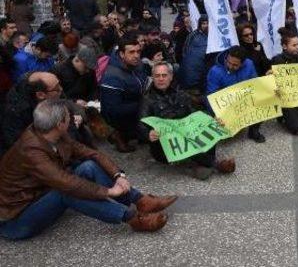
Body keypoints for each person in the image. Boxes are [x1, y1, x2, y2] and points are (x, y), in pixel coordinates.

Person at [0, 99, 176, 239]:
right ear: (60, 124)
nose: (73, 118)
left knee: (89, 166)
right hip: (17, 219)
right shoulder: (31, 150)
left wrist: (118, 175)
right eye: (69, 116)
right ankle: (132, 219)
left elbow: (91, 154)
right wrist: (108, 191)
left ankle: (140, 201)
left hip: (40, 195)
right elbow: (65, 183)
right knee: (66, 192)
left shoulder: (51, 133)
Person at [139, 62, 235, 180]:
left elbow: (196, 113)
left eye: (164, 75)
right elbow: (141, 124)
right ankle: (215, 165)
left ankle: (200, 165)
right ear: (152, 78)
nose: (161, 79)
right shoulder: (147, 100)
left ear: (171, 77)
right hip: (165, 145)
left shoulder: (180, 94)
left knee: (208, 126)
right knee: (189, 141)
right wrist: (148, 134)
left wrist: (211, 119)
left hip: (185, 134)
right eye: (157, 76)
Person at [207, 46, 266, 143]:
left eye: (235, 65)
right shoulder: (215, 71)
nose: (230, 66)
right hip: (225, 104)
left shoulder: (249, 64)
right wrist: (216, 113)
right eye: (228, 62)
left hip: (242, 99)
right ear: (226, 57)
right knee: (227, 135)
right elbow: (211, 95)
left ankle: (254, 131)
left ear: (242, 63)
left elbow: (255, 84)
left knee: (263, 99)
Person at [100, 36, 147, 153]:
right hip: (121, 117)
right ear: (121, 54)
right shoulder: (112, 76)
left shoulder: (136, 64)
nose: (136, 55)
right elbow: (112, 110)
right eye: (131, 52)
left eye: (138, 51)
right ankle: (119, 135)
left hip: (135, 105)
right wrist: (142, 105)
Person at [0, 72, 63, 154]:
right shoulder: (15, 112)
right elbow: (17, 143)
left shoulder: (50, 90)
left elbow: (61, 103)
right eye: (57, 89)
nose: (61, 89)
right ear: (40, 95)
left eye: (59, 84)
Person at [179, 16, 208, 94]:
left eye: (207, 23)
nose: (206, 25)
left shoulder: (212, 36)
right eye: (203, 23)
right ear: (199, 25)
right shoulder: (193, 35)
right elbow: (185, 50)